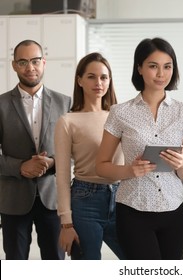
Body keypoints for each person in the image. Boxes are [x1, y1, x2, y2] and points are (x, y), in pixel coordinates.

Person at [95, 37, 183, 260]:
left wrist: (182, 164)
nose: (161, 74)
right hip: (133, 211)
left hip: (174, 210)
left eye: (167, 66)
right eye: (153, 66)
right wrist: (129, 171)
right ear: (139, 68)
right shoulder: (120, 113)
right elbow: (101, 166)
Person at [0, 39, 71, 260]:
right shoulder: (1, 105)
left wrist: (52, 162)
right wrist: (21, 166)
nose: (30, 67)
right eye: (23, 62)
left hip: (53, 198)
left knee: (55, 261)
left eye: (35, 61)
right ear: (14, 66)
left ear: (44, 62)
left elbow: (76, 152)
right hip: (13, 199)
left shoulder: (65, 103)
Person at [55, 52, 125, 260]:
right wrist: (66, 223)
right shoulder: (68, 121)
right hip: (86, 200)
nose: (98, 83)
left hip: (122, 198)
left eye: (104, 77)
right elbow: (61, 176)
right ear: (80, 80)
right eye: (91, 77)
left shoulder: (120, 116)